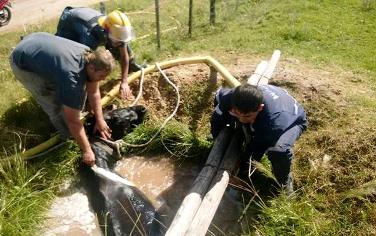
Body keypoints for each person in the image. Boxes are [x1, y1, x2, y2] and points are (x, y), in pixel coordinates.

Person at [10, 32, 115, 166]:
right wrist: (87, 150)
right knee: (52, 101)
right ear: (91, 68)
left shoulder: (89, 56)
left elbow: (93, 92)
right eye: (101, 76)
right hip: (21, 59)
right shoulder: (72, 79)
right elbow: (73, 122)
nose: (103, 80)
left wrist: (100, 120)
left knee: (70, 98)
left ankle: (74, 121)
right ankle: (68, 137)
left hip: (36, 39)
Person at [210, 83, 307, 193]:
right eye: (237, 113)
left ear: (260, 108)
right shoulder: (228, 97)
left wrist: (242, 170)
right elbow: (216, 118)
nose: (241, 119)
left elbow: (256, 150)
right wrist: (216, 140)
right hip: (271, 103)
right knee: (238, 121)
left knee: (278, 151)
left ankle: (284, 183)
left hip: (293, 119)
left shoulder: (273, 123)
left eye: (247, 116)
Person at [56, 7, 144, 100]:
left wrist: (124, 81)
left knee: (120, 48)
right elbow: (88, 64)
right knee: (73, 59)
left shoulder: (115, 30)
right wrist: (93, 93)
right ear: (106, 32)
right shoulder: (90, 36)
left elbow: (124, 55)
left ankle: (133, 68)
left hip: (91, 23)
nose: (120, 43)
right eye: (118, 40)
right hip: (70, 23)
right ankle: (71, 94)